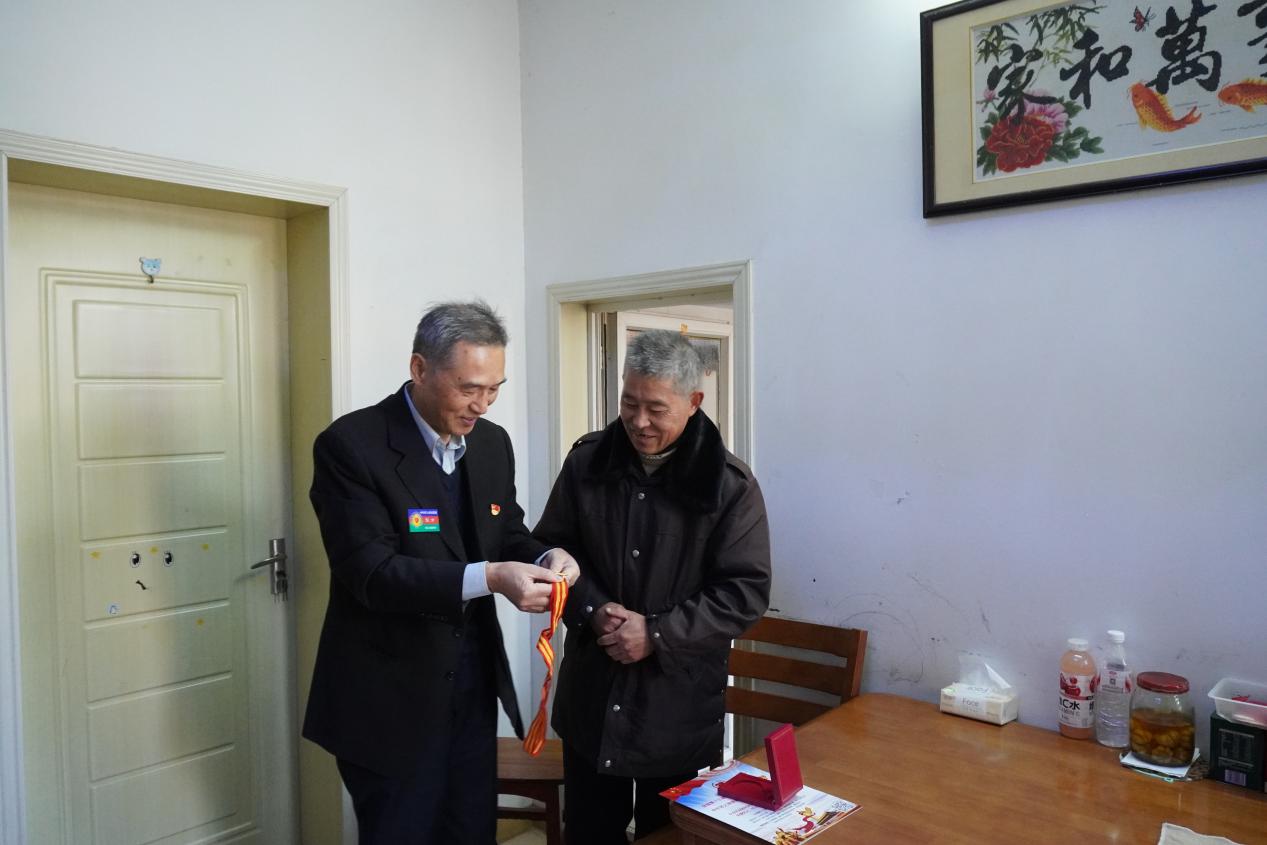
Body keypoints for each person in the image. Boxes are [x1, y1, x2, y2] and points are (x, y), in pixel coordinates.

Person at [303, 300, 579, 845]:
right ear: (420, 369)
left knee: (471, 832)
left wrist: (547, 556)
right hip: (388, 704)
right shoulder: (351, 446)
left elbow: (507, 532)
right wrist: (491, 578)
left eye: (494, 388)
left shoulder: (491, 444)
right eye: (469, 388)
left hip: (471, 694)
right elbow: (373, 573)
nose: (483, 404)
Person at [533, 329, 772, 843]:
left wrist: (656, 633)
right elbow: (551, 547)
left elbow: (744, 592)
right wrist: (592, 608)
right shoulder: (587, 461)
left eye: (656, 409)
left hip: (676, 711)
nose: (639, 421)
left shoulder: (729, 485)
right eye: (629, 403)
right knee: (589, 834)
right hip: (593, 700)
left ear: (694, 401)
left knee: (667, 837)